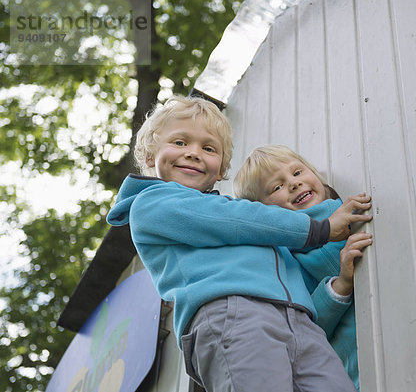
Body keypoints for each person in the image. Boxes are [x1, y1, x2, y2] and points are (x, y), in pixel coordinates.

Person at [106, 95, 372, 392]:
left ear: (220, 170)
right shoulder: (152, 204)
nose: (194, 153)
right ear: (150, 157)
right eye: (180, 143)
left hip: (300, 321)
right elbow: (234, 219)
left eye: (208, 148)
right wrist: (321, 227)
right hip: (232, 314)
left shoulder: (242, 219)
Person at [233, 145, 372, 390]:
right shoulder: (283, 261)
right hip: (358, 372)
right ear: (265, 215)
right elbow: (301, 329)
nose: (293, 183)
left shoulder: (353, 206)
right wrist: (341, 285)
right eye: (277, 187)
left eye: (297, 173)